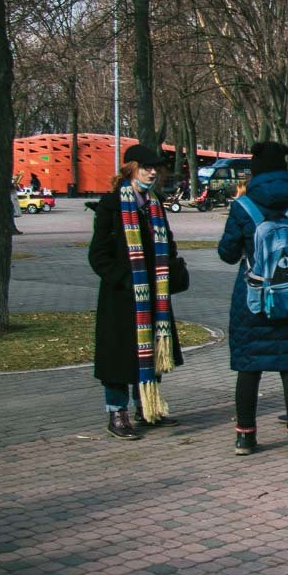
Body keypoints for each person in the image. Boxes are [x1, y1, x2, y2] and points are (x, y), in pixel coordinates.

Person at [217, 142, 288, 456]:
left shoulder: (243, 206)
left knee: (250, 366)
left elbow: (227, 252)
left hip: (253, 296)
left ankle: (245, 436)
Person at [88, 144, 186, 439]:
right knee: (118, 357)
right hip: (121, 296)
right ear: (131, 168)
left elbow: (167, 243)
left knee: (153, 349)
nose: (153, 173)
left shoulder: (155, 204)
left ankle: (147, 407)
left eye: (156, 168)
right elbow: (98, 255)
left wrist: (167, 266)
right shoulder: (112, 205)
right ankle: (117, 413)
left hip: (154, 294)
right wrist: (126, 279)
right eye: (147, 168)